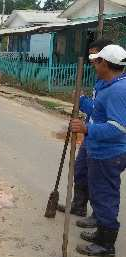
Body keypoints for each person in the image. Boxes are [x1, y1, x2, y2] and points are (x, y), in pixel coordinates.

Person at [72, 44, 126, 257]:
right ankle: (101, 233)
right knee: (99, 192)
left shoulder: (117, 91)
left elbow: (118, 127)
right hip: (100, 151)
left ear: (105, 63)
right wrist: (83, 101)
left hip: (109, 153)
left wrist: (87, 128)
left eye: (97, 61)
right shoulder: (109, 85)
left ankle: (106, 244)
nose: (94, 65)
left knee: (105, 195)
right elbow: (98, 111)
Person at [57, 39, 114, 230]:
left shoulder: (114, 86)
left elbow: (112, 121)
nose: (92, 61)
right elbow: (96, 111)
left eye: (95, 56)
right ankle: (79, 206)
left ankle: (101, 220)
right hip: (92, 136)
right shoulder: (101, 81)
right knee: (81, 171)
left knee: (101, 184)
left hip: (104, 141)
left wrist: (81, 100)